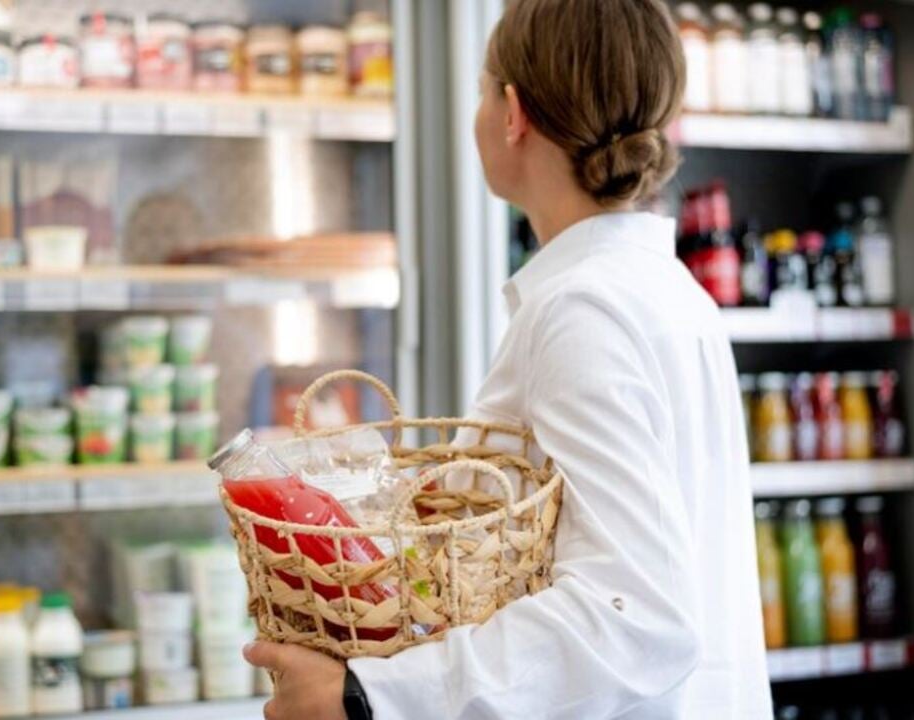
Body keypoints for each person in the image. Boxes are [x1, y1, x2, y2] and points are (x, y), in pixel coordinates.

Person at [243, 0, 772, 717]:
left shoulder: (583, 313)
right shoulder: (666, 293)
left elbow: (635, 618)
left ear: (512, 112)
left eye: (484, 89)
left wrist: (370, 697)